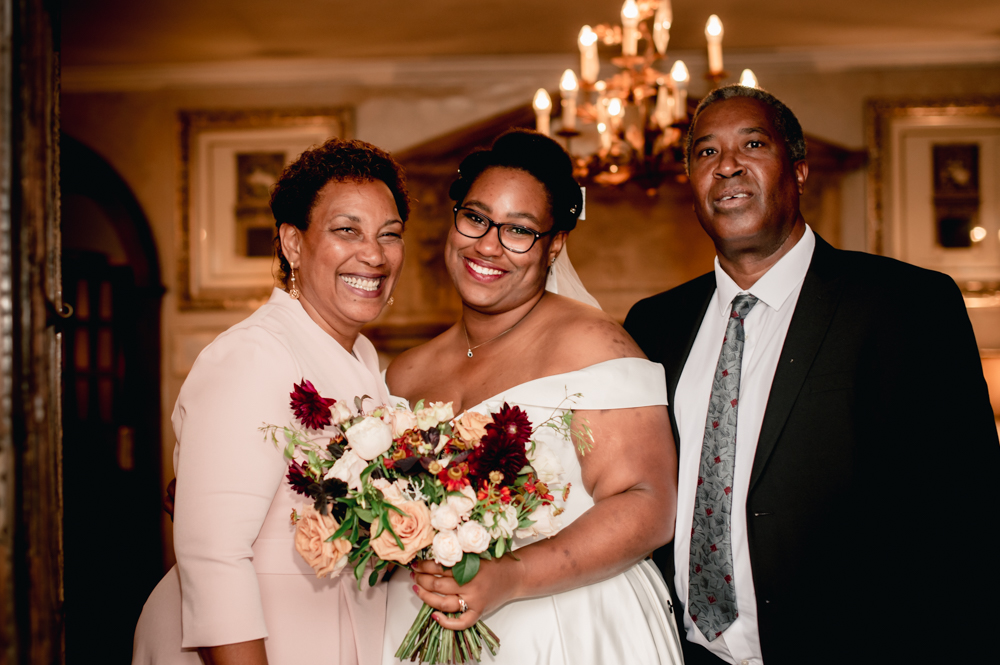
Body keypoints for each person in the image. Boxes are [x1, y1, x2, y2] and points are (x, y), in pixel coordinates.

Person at [624, 85, 1000, 664]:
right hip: (681, 650)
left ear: (799, 170)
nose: (727, 165)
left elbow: (968, 514)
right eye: (705, 152)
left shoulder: (907, 305)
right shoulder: (653, 324)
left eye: (753, 143)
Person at [381, 129, 683, 664]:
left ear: (555, 244)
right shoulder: (405, 373)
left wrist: (511, 576)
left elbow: (648, 504)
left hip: (566, 627)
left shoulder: (595, 346)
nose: (488, 245)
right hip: (422, 624)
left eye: (519, 230)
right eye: (475, 217)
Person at [133, 138, 410, 665]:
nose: (373, 254)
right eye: (346, 230)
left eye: (389, 235)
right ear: (293, 244)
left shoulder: (362, 358)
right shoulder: (251, 355)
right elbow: (213, 555)